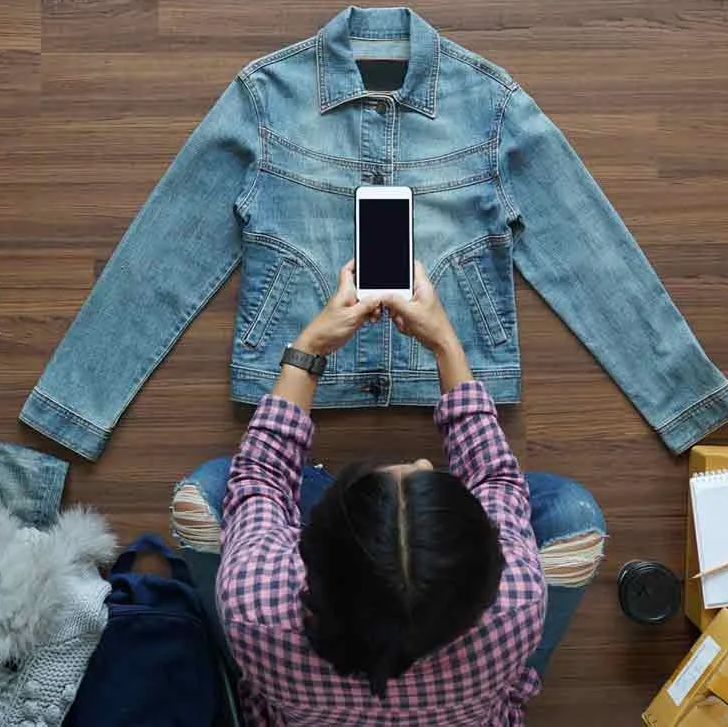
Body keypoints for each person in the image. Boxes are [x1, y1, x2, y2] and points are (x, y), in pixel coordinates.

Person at [171, 261, 607, 726]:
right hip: (481, 677)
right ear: (483, 570)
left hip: (280, 672)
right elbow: (495, 479)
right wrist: (445, 342)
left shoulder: (255, 606)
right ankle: (514, 678)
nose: (421, 461)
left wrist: (310, 345)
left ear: (308, 556)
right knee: (573, 513)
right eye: (423, 471)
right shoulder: (516, 601)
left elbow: (257, 477)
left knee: (212, 486)